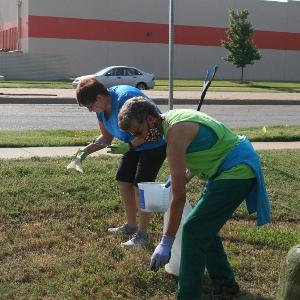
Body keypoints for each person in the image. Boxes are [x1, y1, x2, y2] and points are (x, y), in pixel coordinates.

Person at [117, 97, 270, 299]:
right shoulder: (170, 122)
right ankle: (225, 284)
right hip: (224, 168)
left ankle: (187, 295)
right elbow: (204, 146)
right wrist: (185, 175)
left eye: (138, 132)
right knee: (204, 227)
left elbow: (179, 198)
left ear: (151, 118)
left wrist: (166, 242)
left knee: (193, 229)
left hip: (237, 169)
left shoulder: (174, 133)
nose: (138, 138)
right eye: (132, 135)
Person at [74, 78, 166, 247]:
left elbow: (152, 127)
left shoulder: (126, 98)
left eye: (90, 106)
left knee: (141, 186)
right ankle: (131, 226)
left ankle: (142, 235)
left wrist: (129, 145)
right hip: (132, 144)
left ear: (100, 97)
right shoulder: (100, 110)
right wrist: (85, 151)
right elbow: (107, 138)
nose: (90, 110)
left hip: (154, 143)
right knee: (123, 179)